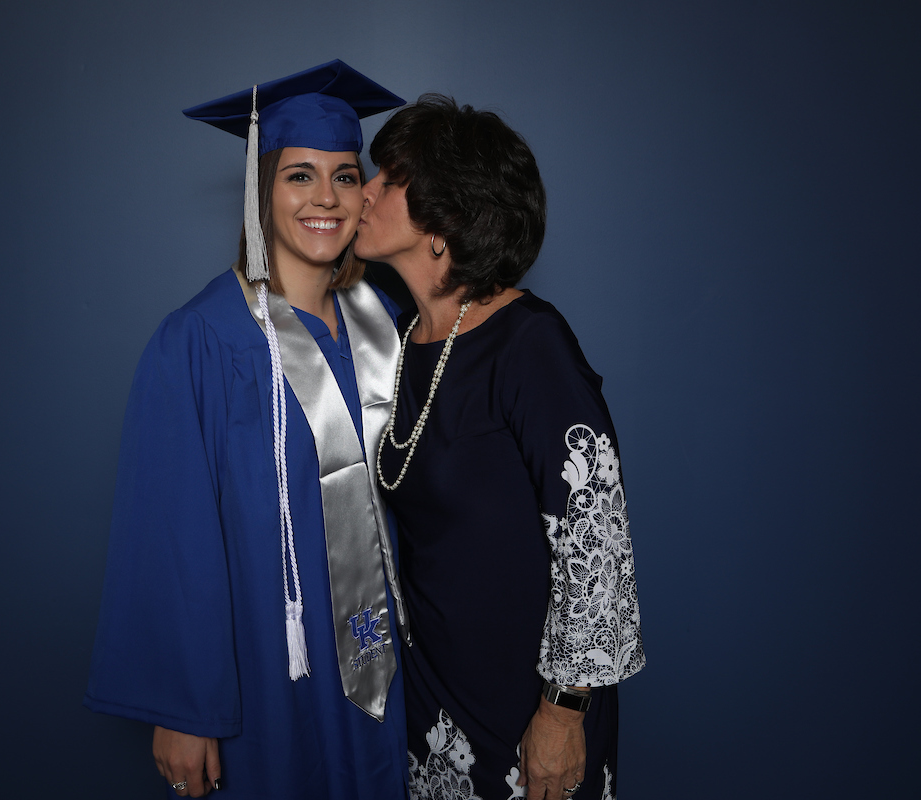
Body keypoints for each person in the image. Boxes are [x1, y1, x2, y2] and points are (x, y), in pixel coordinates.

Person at [84, 61, 413, 800]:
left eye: (345, 176)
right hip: (274, 665)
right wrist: (184, 707)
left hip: (387, 654)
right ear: (260, 190)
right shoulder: (201, 340)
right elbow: (172, 532)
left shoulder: (382, 324)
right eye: (299, 176)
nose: (326, 198)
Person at [354, 94, 645, 800]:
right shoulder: (392, 341)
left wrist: (563, 712)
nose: (363, 191)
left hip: (533, 712)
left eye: (388, 180)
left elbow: (595, 535)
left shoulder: (529, 344)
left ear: (443, 220)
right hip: (432, 700)